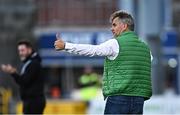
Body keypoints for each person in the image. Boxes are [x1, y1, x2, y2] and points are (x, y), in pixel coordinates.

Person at [54, 10, 152, 114]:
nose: (111, 28)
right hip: (139, 100)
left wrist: (66, 46)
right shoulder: (145, 47)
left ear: (124, 26)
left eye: (114, 25)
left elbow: (92, 50)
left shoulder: (115, 44)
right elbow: (149, 61)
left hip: (118, 99)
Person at [1, 40, 46, 114]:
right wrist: (13, 72)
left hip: (33, 102)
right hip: (31, 101)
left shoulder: (34, 64)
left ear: (29, 50)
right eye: (19, 51)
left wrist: (13, 73)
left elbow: (24, 81)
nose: (20, 53)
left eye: (22, 50)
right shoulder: (31, 63)